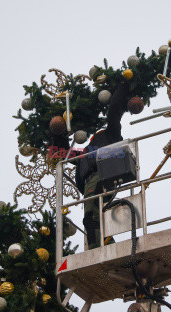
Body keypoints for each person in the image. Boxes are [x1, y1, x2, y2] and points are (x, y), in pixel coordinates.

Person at [53, 82, 131, 249]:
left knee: (91, 216)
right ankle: (107, 242)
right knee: (98, 214)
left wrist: (122, 85)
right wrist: (61, 128)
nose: (94, 135)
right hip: (95, 180)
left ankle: (98, 248)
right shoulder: (86, 154)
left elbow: (114, 111)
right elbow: (64, 153)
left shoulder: (110, 135)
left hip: (100, 176)